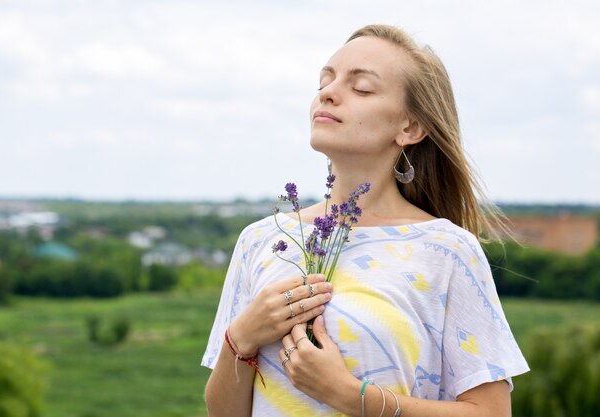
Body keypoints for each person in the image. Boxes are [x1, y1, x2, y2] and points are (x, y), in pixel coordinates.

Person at [202, 24, 529, 417]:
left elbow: (492, 413)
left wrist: (347, 395)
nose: (327, 93)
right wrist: (239, 339)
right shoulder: (262, 240)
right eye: (325, 80)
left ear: (410, 127)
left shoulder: (446, 250)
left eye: (360, 88)